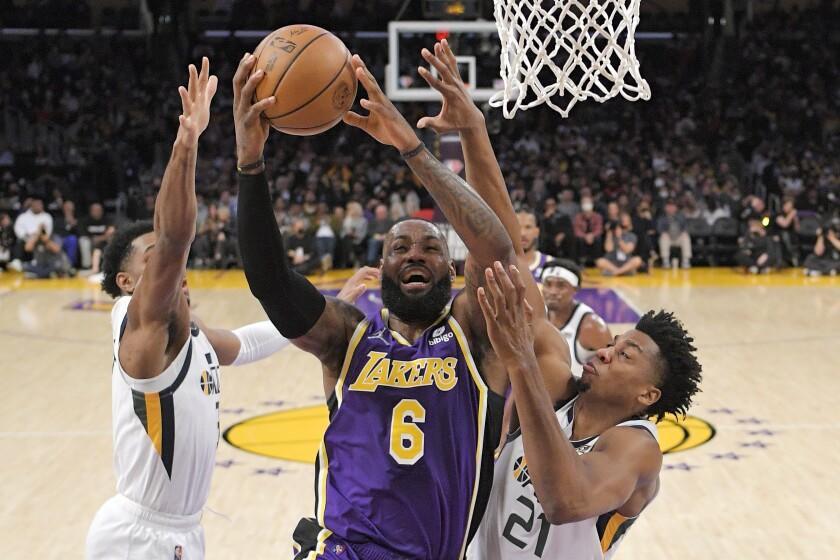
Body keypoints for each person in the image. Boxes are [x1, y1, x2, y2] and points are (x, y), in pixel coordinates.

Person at [85, 59, 376, 560]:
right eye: (153, 261)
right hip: (137, 538)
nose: (171, 270)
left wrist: (327, 310)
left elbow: (248, 343)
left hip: (182, 532)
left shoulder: (188, 336)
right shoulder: (142, 331)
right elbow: (176, 237)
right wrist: (187, 141)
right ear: (127, 282)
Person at [234, 50, 520, 559]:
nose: (415, 253)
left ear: (452, 270)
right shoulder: (348, 337)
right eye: (399, 248)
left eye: (432, 248)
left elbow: (497, 249)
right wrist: (250, 164)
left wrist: (410, 146)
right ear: (380, 268)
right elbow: (271, 282)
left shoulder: (475, 335)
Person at [469, 263, 702, 560]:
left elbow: (566, 502)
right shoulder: (556, 388)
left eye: (624, 356)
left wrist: (520, 363)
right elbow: (508, 257)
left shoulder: (637, 448)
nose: (604, 352)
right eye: (612, 345)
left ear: (647, 394)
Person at [539, 260, 612, 377]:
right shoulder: (536, 315)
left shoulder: (592, 326)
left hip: (578, 393)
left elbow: (613, 370)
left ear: (575, 289)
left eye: (561, 285)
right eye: (548, 284)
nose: (552, 291)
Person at [517, 207, 550, 282]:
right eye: (517, 227)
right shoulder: (500, 265)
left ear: (537, 232)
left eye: (528, 227)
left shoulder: (550, 264)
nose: (523, 233)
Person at [656, 199, 692, 269]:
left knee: (685, 236)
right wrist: (664, 232)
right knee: (664, 236)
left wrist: (684, 232)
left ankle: (686, 261)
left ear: (676, 208)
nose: (671, 208)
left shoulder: (681, 216)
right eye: (669, 206)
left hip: (679, 237)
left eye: (672, 206)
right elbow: (659, 229)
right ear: (665, 208)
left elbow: (686, 227)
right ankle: (665, 261)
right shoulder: (662, 217)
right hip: (668, 238)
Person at [573, 197, 603, 266]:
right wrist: (585, 236)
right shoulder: (578, 217)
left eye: (588, 203)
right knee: (578, 240)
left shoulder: (597, 216)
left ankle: (597, 261)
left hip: (593, 237)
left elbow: (599, 229)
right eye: (584, 203)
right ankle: (581, 261)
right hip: (583, 237)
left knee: (598, 239)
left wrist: (592, 235)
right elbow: (576, 230)